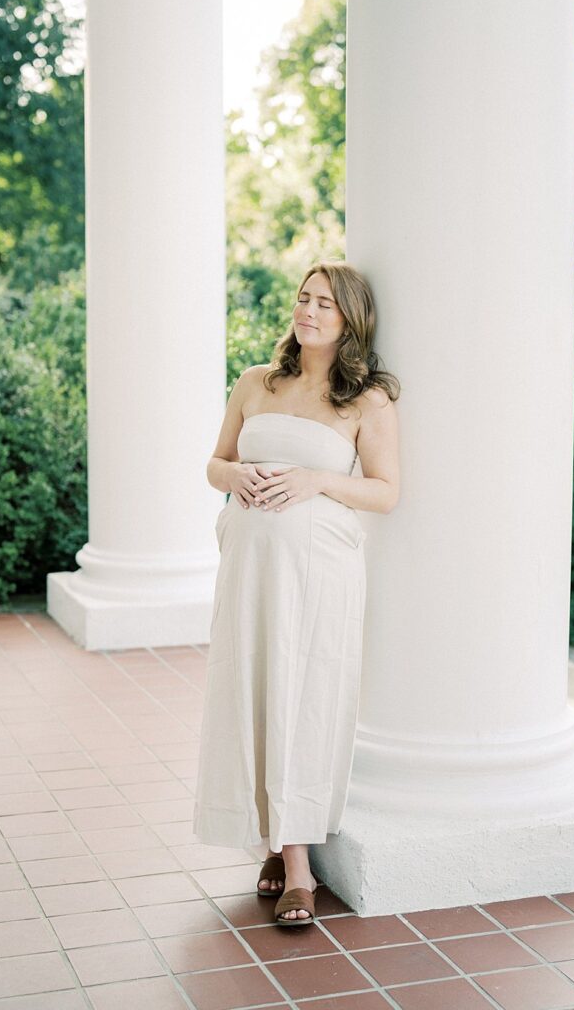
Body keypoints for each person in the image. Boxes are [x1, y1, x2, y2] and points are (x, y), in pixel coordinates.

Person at [192, 260, 400, 926]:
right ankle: (275, 841)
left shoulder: (367, 400)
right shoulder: (256, 382)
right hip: (250, 570)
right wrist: (239, 476)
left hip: (319, 579)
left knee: (305, 701)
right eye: (303, 299)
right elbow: (214, 463)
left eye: (325, 305)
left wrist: (316, 480)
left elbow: (386, 492)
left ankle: (299, 869)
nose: (307, 311)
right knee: (252, 695)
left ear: (350, 322)